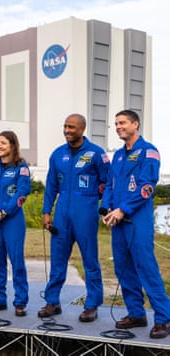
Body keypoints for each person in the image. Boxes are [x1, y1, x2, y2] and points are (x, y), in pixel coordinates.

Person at [101, 109, 170, 339]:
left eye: (122, 122)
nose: (118, 126)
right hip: (118, 220)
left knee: (146, 268)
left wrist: (123, 209)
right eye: (116, 123)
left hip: (136, 220)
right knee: (123, 268)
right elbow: (110, 185)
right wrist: (107, 208)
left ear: (135, 124)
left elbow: (146, 187)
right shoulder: (118, 156)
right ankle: (136, 313)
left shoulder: (148, 152)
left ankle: (163, 318)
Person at [40, 113, 110, 322]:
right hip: (62, 212)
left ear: (82, 129)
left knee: (89, 260)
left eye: (72, 127)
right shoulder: (57, 154)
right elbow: (51, 185)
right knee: (58, 259)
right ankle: (52, 302)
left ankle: (92, 305)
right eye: (65, 127)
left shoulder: (97, 154)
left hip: (86, 210)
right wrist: (46, 212)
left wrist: (104, 206)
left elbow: (108, 184)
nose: (67, 131)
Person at [0, 131, 31, 317]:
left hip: (12, 221)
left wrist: (3, 212)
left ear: (12, 145)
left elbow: (22, 193)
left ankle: (20, 302)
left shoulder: (21, 167)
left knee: (17, 262)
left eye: (3, 142)